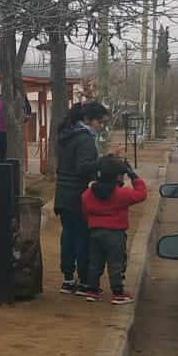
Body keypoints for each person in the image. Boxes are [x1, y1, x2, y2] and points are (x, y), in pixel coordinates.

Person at [55, 101, 109, 296]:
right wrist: (104, 161)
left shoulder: (66, 135)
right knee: (83, 237)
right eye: (100, 122)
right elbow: (83, 167)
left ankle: (68, 279)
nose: (101, 126)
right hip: (79, 196)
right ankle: (85, 281)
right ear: (88, 119)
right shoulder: (85, 139)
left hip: (63, 194)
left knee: (68, 236)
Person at [81, 156, 146, 304]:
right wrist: (133, 175)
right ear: (117, 176)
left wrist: (93, 222)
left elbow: (85, 211)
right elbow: (141, 194)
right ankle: (118, 293)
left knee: (95, 263)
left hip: (95, 232)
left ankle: (92, 291)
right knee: (116, 263)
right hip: (115, 234)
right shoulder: (121, 194)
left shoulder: (88, 193)